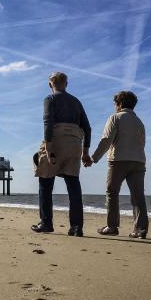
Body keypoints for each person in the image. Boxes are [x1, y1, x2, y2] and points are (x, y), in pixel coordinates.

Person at [32, 71, 92, 237]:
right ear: (67, 83)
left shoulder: (50, 99)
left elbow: (48, 122)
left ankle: (46, 223)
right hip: (75, 143)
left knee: (45, 183)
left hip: (55, 139)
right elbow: (87, 128)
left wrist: (49, 148)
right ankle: (76, 227)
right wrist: (85, 152)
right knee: (73, 185)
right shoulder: (76, 101)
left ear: (50, 84)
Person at [88, 90, 148, 239]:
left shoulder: (115, 118)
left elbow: (106, 140)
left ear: (119, 104)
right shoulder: (140, 122)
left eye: (115, 103)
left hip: (118, 160)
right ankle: (140, 229)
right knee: (138, 196)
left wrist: (93, 158)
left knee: (112, 192)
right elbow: (142, 143)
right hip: (138, 161)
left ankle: (112, 226)